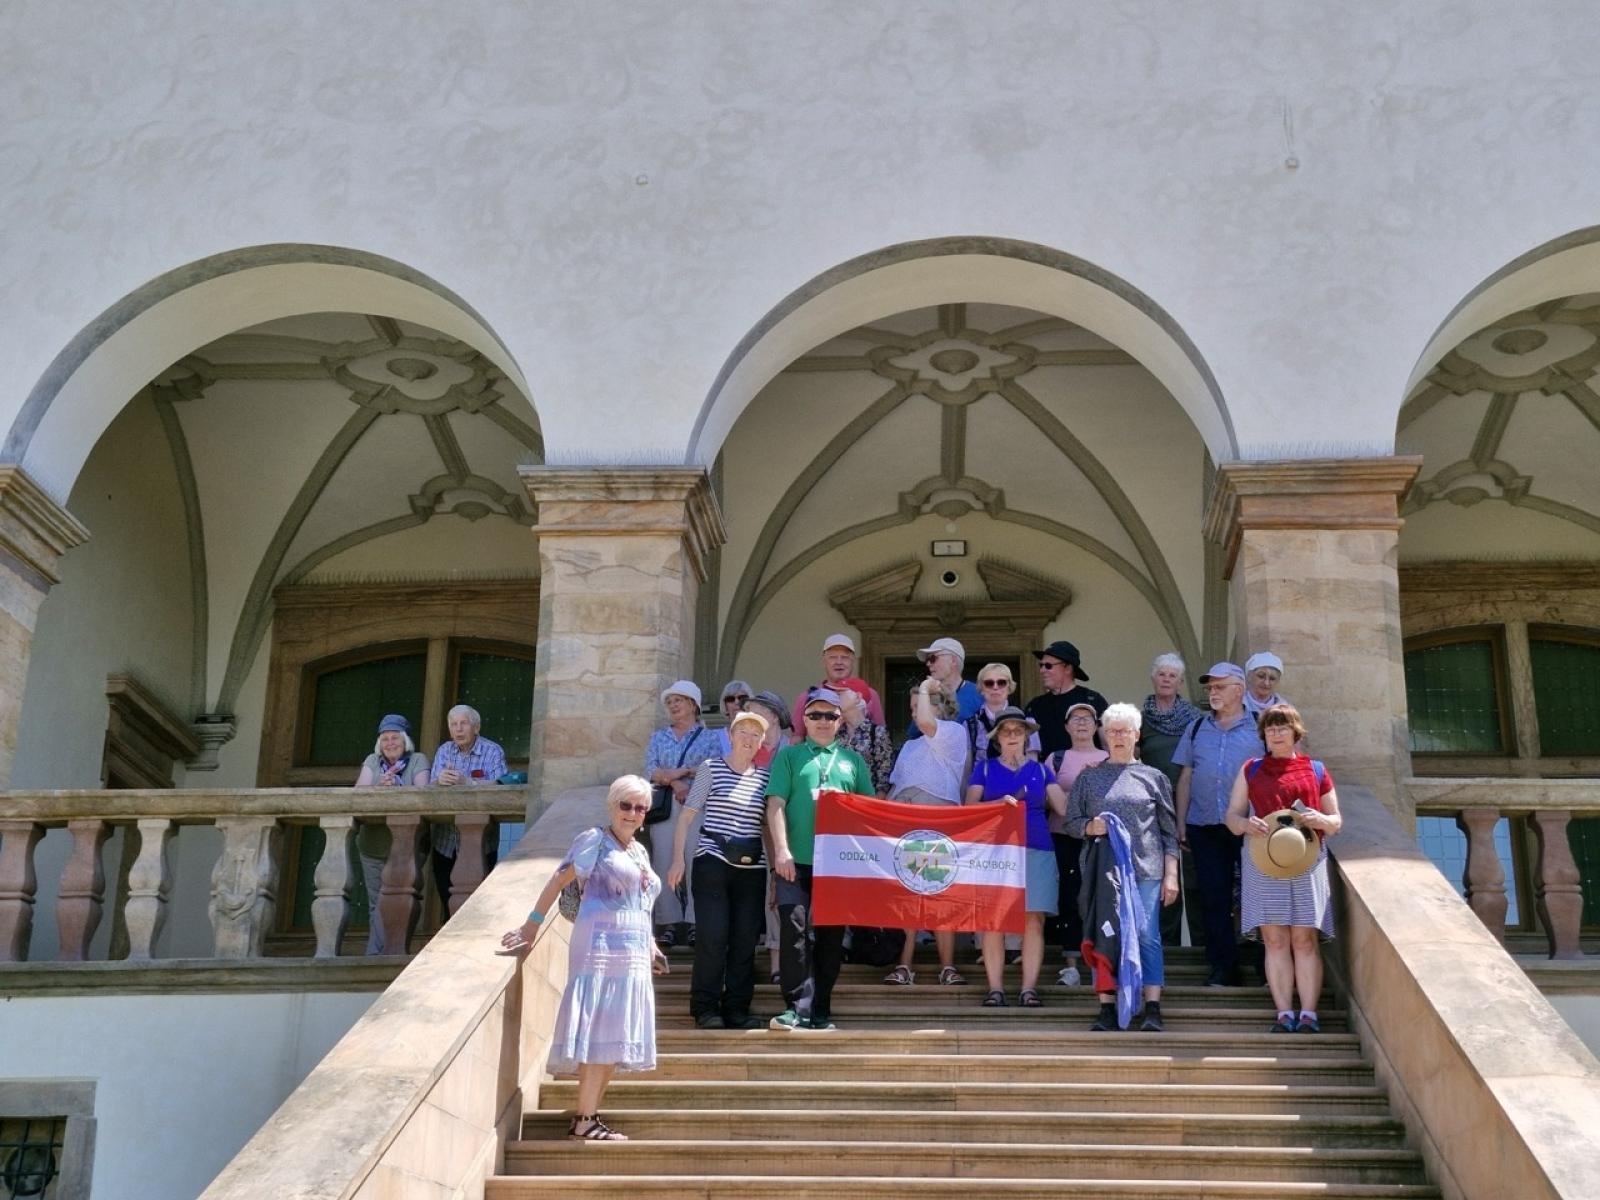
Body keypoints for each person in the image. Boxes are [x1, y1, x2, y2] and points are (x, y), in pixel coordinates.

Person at [501, 775, 667, 1141]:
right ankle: (585, 1120)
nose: (633, 813)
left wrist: (651, 944)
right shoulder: (594, 840)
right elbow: (557, 881)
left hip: (633, 951)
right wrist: (531, 926)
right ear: (612, 806)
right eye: (626, 805)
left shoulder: (638, 851)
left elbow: (640, 904)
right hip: (600, 946)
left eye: (640, 808)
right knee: (600, 1031)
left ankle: (588, 1117)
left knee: (615, 1033)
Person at [1225, 704, 1342, 1033]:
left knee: (1304, 939)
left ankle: (1308, 1013)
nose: (1276, 733)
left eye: (1282, 727)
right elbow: (1231, 817)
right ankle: (1283, 1013)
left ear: (1295, 731)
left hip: (1307, 860)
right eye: (1270, 728)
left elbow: (1336, 821)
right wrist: (1246, 824)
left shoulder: (1316, 769)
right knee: (1274, 940)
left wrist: (1321, 819)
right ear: (1263, 735)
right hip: (1263, 860)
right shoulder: (1251, 769)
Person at [765, 687, 875, 1031]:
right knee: (794, 930)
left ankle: (821, 1008)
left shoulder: (853, 761)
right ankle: (796, 1007)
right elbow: (775, 805)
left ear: (840, 720)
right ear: (805, 720)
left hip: (837, 865)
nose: (823, 721)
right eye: (815, 715)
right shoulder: (789, 757)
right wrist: (780, 850)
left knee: (830, 938)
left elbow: (869, 812)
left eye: (830, 715)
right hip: (793, 861)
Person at [1066, 703, 1180, 1032]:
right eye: (1112, 730)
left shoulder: (1154, 778)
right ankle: (1106, 1007)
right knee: (1104, 936)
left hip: (1146, 869)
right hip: (1103, 872)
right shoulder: (1089, 777)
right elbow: (1071, 822)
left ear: (1136, 735)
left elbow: (1169, 833)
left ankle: (1152, 1006)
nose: (1117, 737)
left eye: (1124, 731)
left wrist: (1171, 875)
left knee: (1147, 936)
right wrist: (1091, 827)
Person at [669, 709, 772, 1030]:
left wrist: (771, 876)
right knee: (713, 937)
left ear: (762, 742)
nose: (748, 738)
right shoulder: (711, 768)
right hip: (711, 861)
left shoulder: (765, 778)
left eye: (756, 734)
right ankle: (705, 1008)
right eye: (743, 731)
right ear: (730, 735)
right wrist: (678, 860)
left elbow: (766, 827)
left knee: (744, 941)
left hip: (752, 868)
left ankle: (737, 1009)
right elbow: (687, 817)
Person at [966, 707, 1065, 1006]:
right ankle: (995, 989)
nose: (1012, 736)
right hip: (995, 851)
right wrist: (996, 804)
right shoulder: (984, 768)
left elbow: (1063, 808)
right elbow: (968, 808)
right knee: (992, 921)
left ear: (1026, 736)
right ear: (997, 738)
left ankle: (1028, 989)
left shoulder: (1041, 770)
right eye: (1006, 731)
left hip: (1037, 847)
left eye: (1018, 731)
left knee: (1033, 920)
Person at [1172, 662, 1259, 987]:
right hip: (1204, 824)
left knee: (1257, 894)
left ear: (1239, 689)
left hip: (1252, 827)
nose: (1213, 693)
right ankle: (1222, 966)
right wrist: (1181, 822)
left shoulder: (1260, 726)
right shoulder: (1196, 728)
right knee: (1213, 896)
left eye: (1219, 687)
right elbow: (1186, 776)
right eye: (1210, 688)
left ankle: (1264, 965)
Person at [882, 678, 971, 987]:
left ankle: (947, 966)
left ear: (939, 706)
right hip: (906, 823)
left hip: (940, 822)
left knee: (940, 893)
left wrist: (923, 686)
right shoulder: (909, 745)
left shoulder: (954, 733)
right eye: (910, 707)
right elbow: (896, 787)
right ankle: (905, 965)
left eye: (919, 703)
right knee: (908, 895)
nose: (914, 713)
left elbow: (924, 720)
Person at [643, 680, 718, 949]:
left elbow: (711, 769)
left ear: (693, 705)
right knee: (663, 861)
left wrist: (681, 772)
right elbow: (651, 771)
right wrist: (676, 782)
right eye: (670, 701)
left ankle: (696, 921)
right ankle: (669, 922)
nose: (673, 705)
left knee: (696, 861)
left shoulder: (710, 737)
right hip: (665, 806)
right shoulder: (658, 737)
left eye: (679, 700)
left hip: (699, 805)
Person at [1138, 653, 1204, 946]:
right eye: (1162, 674)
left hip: (1191, 805)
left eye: (1172, 676)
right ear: (1153, 678)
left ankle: (1202, 945)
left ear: (1180, 682)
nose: (1166, 679)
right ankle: (1168, 948)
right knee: (1164, 876)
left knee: (1193, 876)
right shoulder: (1140, 719)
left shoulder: (1195, 720)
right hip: (1153, 808)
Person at [353, 713, 430, 954]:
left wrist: (397, 787)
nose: (389, 743)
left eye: (394, 737)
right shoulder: (372, 761)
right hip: (373, 843)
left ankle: (387, 952)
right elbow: (357, 794)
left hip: (407, 846)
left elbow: (424, 794)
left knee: (401, 899)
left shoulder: (417, 760)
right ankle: (377, 954)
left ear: (405, 740)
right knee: (377, 902)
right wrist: (378, 787)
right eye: (385, 738)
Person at [1045, 701, 1107, 986]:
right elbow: (1047, 798)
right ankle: (1070, 965)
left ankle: (1099, 962)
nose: (1082, 723)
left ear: (1097, 726)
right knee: (1069, 898)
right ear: (1066, 726)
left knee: (1099, 898)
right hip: (1063, 837)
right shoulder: (1055, 759)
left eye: (1088, 718)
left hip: (1100, 839)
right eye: (1075, 718)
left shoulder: (1110, 757)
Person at [430, 703, 507, 911]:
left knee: (476, 907)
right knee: (448, 906)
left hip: (482, 842)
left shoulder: (492, 751)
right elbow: (429, 790)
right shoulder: (444, 751)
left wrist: (469, 783)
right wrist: (438, 782)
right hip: (445, 843)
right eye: (453, 724)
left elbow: (501, 788)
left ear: (476, 727)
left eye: (464, 723)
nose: (458, 729)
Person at [1026, 640, 1108, 757]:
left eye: (1048, 666)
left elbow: (1107, 744)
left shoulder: (1092, 700)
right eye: (1041, 665)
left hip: (1088, 772)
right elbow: (1030, 751)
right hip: (1047, 773)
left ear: (1068, 668)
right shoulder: (1034, 706)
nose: (1042, 670)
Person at [791, 633, 886, 731]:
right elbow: (797, 737)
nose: (839, 662)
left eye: (845, 657)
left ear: (853, 660)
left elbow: (880, 733)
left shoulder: (870, 694)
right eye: (833, 657)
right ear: (824, 661)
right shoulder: (808, 697)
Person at [906, 637, 982, 740]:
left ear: (953, 661)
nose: (928, 664)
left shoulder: (979, 694)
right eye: (928, 660)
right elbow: (913, 735)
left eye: (933, 658)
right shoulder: (926, 696)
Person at [968, 662, 1041, 761]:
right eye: (989, 683)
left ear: (1009, 687)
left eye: (1001, 682)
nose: (995, 687)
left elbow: (1032, 762)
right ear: (981, 688)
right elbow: (968, 766)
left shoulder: (1027, 720)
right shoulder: (970, 724)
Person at [837, 676, 892, 797]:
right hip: (839, 802)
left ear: (858, 697)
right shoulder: (835, 732)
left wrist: (876, 804)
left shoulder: (877, 732)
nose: (836, 697)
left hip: (865, 803)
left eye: (841, 693)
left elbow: (884, 776)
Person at [1243, 652, 1290, 722]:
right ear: (1249, 676)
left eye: (1272, 678)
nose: (1266, 683)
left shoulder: (1286, 710)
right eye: (1261, 676)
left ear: (1278, 681)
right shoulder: (1236, 706)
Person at [712, 679, 753, 755]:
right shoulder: (713, 737)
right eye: (730, 699)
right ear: (726, 707)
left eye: (742, 698)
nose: (736, 702)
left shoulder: (760, 736)